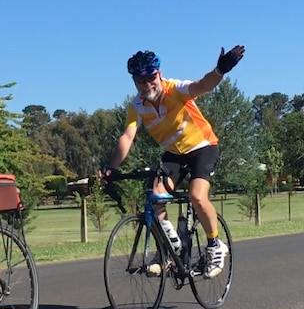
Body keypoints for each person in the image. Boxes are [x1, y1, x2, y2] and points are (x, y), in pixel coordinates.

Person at [100, 45, 245, 278]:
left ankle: (215, 245)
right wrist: (111, 168)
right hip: (173, 154)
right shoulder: (137, 106)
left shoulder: (175, 89)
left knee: (197, 196)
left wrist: (220, 70)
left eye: (151, 77)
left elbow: (202, 85)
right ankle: (169, 248)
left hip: (202, 147)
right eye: (140, 80)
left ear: (159, 73)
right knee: (155, 197)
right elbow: (127, 137)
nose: (147, 84)